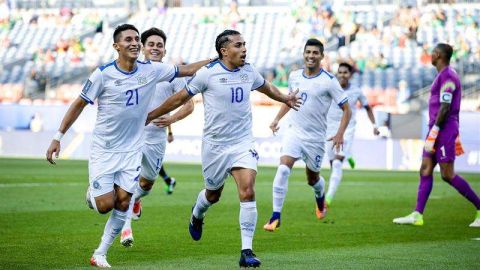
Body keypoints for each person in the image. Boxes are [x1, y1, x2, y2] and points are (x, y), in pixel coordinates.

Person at [46, 24, 211, 268]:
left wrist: (216, 57)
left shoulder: (151, 70)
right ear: (116, 46)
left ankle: (100, 253)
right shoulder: (103, 74)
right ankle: (93, 194)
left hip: (133, 149)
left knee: (124, 200)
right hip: (105, 149)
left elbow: (186, 70)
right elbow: (79, 104)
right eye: (128, 39)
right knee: (105, 205)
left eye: (136, 39)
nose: (134, 43)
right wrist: (58, 136)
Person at [145, 29, 301, 268]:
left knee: (247, 190)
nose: (244, 49)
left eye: (244, 44)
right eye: (238, 45)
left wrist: (285, 98)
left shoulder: (248, 70)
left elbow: (266, 87)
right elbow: (179, 98)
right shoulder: (207, 74)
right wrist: (153, 114)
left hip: (242, 143)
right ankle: (197, 214)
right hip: (215, 145)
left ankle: (246, 250)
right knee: (213, 194)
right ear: (224, 51)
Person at [263, 39, 352, 232]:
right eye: (308, 52)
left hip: (315, 138)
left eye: (315, 53)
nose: (311, 56)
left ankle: (320, 200)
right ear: (303, 54)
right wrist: (277, 119)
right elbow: (290, 100)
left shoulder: (329, 81)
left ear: (321, 56)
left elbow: (347, 109)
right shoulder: (294, 76)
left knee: (313, 180)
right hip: (293, 132)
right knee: (283, 169)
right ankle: (275, 216)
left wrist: (340, 133)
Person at [120, 27, 194, 247]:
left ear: (164, 50)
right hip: (132, 135)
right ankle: (125, 229)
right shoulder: (131, 70)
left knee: (147, 183)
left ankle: (136, 201)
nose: (155, 48)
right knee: (128, 181)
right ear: (143, 47)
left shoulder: (172, 75)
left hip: (156, 138)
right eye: (151, 44)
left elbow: (189, 105)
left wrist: (171, 121)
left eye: (159, 45)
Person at [393, 43, 480, 227]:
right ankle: (417, 214)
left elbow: (445, 107)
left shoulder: (448, 76)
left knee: (447, 174)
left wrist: (435, 131)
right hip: (436, 128)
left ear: (438, 55)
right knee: (425, 168)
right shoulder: (442, 76)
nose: (430, 56)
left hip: (444, 129)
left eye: (432, 53)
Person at [324, 62, 380, 206]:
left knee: (336, 163)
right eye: (340, 72)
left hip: (347, 130)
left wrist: (374, 125)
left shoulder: (356, 91)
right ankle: (349, 156)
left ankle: (328, 199)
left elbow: (367, 108)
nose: (342, 75)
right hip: (329, 129)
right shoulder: (330, 88)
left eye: (345, 72)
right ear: (337, 74)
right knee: (332, 163)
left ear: (350, 75)